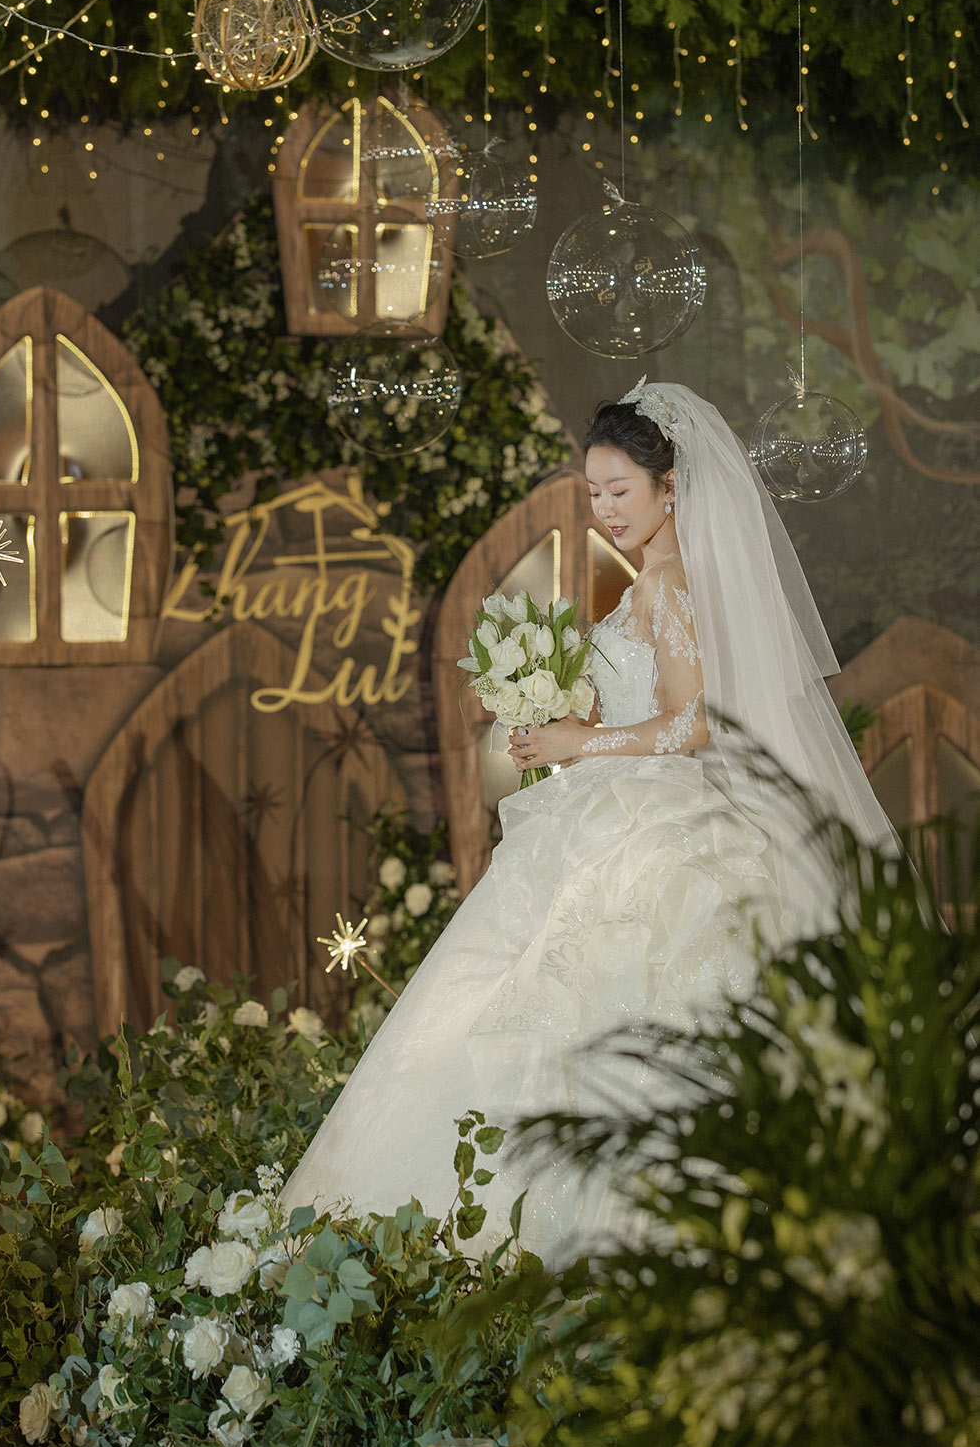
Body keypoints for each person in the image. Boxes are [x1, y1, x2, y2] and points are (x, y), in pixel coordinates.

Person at [282, 378, 894, 1267]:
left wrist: (580, 738)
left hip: (660, 823)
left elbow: (695, 723)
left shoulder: (670, 585)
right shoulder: (654, 582)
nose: (604, 508)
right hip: (624, 805)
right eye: (594, 491)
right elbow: (662, 707)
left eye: (619, 489)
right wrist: (565, 720)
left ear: (669, 487)